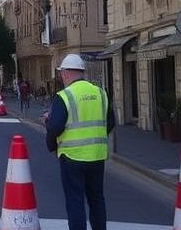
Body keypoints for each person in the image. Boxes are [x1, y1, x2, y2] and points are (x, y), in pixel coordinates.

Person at [44, 53, 116, 230]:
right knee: (97, 199)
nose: (61, 77)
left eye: (61, 74)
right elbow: (111, 121)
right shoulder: (100, 93)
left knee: (75, 200)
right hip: (97, 156)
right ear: (82, 72)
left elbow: (55, 127)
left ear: (66, 74)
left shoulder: (65, 96)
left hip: (72, 156)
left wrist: (51, 143)